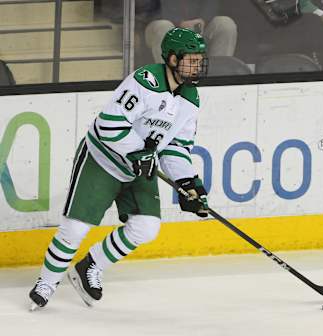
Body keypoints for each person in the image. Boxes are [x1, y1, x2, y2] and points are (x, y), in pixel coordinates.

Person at [28, 28, 210, 310]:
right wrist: (139, 151)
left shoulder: (191, 98)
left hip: (138, 166)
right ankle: (47, 282)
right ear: (173, 59)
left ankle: (90, 265)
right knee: (75, 228)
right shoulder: (145, 82)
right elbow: (108, 124)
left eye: (200, 60)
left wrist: (186, 181)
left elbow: (176, 147)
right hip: (103, 159)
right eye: (192, 60)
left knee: (147, 227)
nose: (197, 65)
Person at [143, 0, 237, 63]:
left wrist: (203, 19)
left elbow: (212, 4)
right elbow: (148, 9)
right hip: (165, 27)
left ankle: (218, 77)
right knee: (163, 26)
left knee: (225, 24)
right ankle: (168, 82)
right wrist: (179, 22)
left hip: (199, 27)